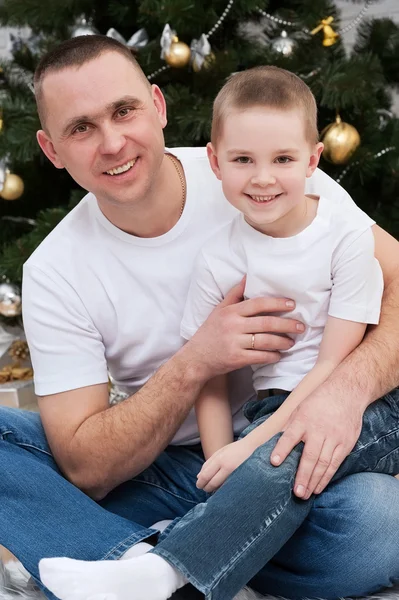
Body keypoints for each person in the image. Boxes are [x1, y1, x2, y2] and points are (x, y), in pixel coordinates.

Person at [0, 34, 397, 600]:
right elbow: (86, 465)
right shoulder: (54, 270)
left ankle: (158, 560)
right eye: (81, 128)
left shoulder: (259, 168)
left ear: (157, 106)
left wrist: (344, 394)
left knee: (375, 523)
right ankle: (154, 560)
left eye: (124, 110)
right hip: (169, 471)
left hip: (294, 443)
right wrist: (195, 361)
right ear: (51, 148)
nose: (113, 142)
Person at [186, 65, 388, 492]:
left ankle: (165, 560)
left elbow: (333, 365)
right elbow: (209, 379)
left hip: (353, 399)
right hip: (269, 409)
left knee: (276, 463)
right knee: (263, 484)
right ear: (214, 162)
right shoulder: (216, 258)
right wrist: (220, 465)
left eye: (283, 159)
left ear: (312, 160)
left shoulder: (345, 236)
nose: (263, 178)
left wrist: (248, 449)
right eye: (242, 159)